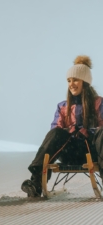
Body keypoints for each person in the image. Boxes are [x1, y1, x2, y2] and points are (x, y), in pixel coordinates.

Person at [21, 55, 103, 197]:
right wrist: (69, 131)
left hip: (92, 151)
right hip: (69, 152)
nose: (71, 84)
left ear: (85, 82)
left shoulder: (98, 103)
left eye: (75, 80)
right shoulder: (63, 106)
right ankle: (36, 182)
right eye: (69, 81)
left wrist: (88, 131)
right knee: (56, 133)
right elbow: (55, 130)